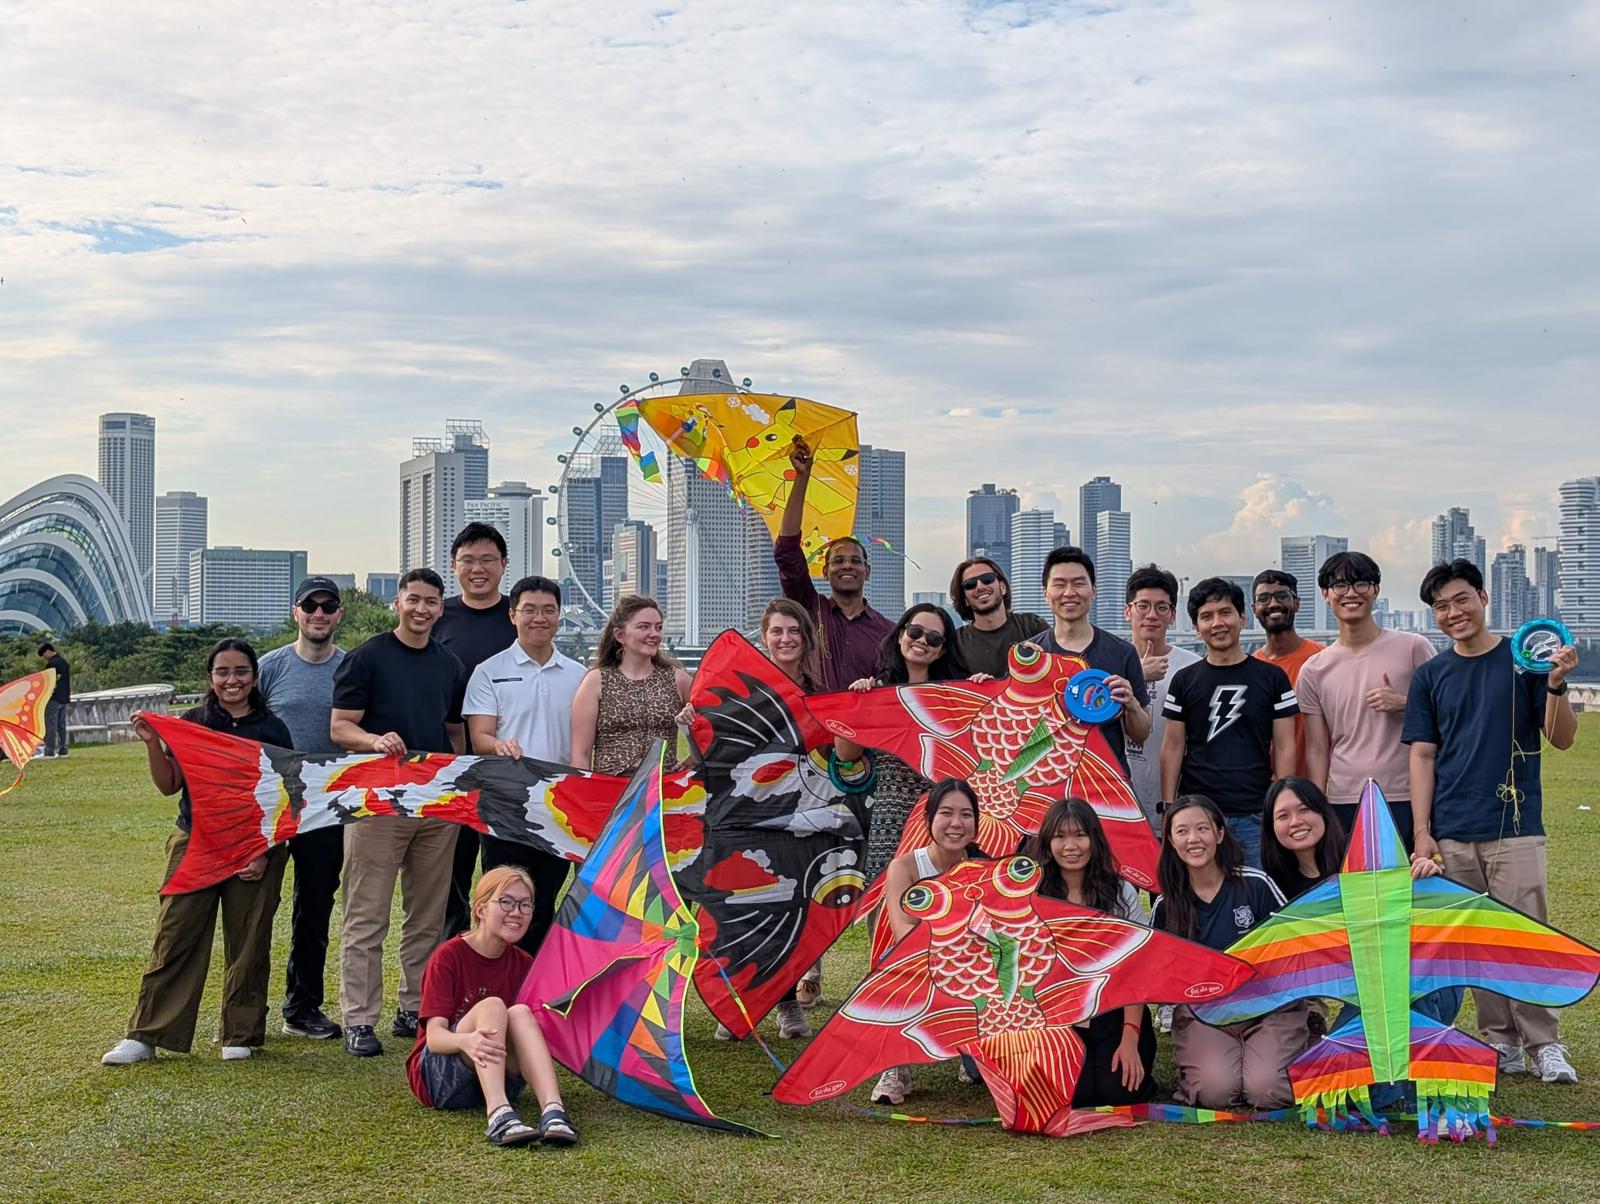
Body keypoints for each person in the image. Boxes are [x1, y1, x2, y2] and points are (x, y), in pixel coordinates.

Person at [1405, 558, 1583, 1084]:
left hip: (1516, 825)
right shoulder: (1432, 675)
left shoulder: (1524, 659)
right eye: (1441, 606)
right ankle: (1498, 1040)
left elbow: (1562, 737)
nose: (1453, 612)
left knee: (1526, 935)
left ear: (1483, 598)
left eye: (1462, 599)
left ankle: (1544, 1042)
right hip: (1454, 828)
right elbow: (1421, 756)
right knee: (1476, 940)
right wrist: (1422, 829)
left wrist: (1554, 685)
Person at [102, 639, 291, 1065]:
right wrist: (153, 742)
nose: (232, 680)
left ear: (254, 677)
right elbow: (170, 784)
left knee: (249, 937)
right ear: (210, 678)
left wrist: (262, 850)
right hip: (196, 840)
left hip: (253, 844)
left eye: (241, 671)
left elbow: (283, 796)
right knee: (176, 934)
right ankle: (148, 1033)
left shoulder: (272, 729)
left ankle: (239, 1032)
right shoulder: (193, 723)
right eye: (222, 672)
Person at [331, 567, 468, 1058]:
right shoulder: (367, 657)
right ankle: (359, 1018)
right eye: (413, 599)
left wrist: (458, 781)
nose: (422, 609)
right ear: (398, 603)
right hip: (377, 803)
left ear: (440, 608)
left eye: (431, 602)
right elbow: (340, 727)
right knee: (365, 916)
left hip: (434, 804)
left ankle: (415, 1007)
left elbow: (454, 733)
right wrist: (374, 741)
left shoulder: (449, 664)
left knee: (427, 916)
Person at [1258, 776, 1454, 1112]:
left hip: (1416, 984)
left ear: (1323, 811)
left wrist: (1425, 879)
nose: (1296, 822)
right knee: (1342, 1093)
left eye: (1304, 810)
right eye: (1283, 816)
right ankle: (1398, 1082)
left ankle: (1421, 1084)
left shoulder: (1367, 858)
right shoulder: (1273, 883)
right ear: (1271, 826)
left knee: (1402, 985)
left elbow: (1431, 922)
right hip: (1358, 992)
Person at [709, 597, 826, 1040]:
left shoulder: (819, 691)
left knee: (791, 911)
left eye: (794, 631)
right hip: (751, 812)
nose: (786, 639)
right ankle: (741, 1003)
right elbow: (719, 741)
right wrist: (690, 721)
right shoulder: (747, 691)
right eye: (777, 632)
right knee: (748, 907)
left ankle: (787, 1005)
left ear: (806, 638)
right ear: (764, 639)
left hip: (803, 812)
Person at [1151, 795, 1308, 1109]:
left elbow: (1295, 946)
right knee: (1215, 1092)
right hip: (1205, 1015)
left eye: (1202, 829)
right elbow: (1158, 976)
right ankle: (1225, 1058)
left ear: (1220, 834)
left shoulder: (1256, 885)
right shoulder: (1167, 905)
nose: (1193, 839)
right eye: (1182, 832)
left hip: (1268, 1008)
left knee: (1267, 1091)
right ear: (1170, 840)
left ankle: (1295, 1040)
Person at [407, 865, 577, 1147]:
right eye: (506, 902)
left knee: (520, 1013)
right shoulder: (448, 956)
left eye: (525, 905)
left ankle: (554, 1110)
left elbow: (530, 1036)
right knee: (493, 1006)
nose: (516, 912)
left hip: (503, 1077)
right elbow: (434, 1038)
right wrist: (467, 1041)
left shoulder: (523, 962)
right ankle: (498, 1114)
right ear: (481, 909)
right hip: (440, 1078)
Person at [463, 575, 584, 956]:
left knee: (543, 899)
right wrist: (498, 744)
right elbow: (479, 737)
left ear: (559, 616)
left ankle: (532, 994)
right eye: (529, 610)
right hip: (506, 805)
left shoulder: (579, 675)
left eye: (548, 610)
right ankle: (496, 983)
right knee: (503, 898)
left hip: (558, 807)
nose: (539, 618)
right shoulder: (489, 670)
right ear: (512, 615)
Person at [257, 575, 348, 1040]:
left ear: (339, 614)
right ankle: (245, 1010)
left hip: (327, 805)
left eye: (327, 606)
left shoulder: (352, 668)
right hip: (271, 803)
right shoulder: (269, 667)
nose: (318, 614)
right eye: (309, 606)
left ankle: (302, 1007)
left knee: (314, 907)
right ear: (295, 612)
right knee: (254, 905)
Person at [1297, 551, 1434, 848]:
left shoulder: (1413, 648)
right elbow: (1318, 750)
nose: (1351, 594)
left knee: (1411, 888)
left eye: (1361, 584)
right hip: (1344, 798)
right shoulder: (1314, 669)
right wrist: (1318, 807)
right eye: (1340, 586)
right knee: (1354, 890)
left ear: (1375, 590)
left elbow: (1445, 713)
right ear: (1325, 594)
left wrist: (1404, 703)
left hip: (1406, 794)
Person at [1028, 797, 1158, 1107]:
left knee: (1119, 1093)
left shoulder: (1121, 892)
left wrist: (1130, 1038)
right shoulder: (1032, 893)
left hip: (1113, 1011)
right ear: (1047, 842)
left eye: (1079, 835)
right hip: (1058, 1018)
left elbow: (1134, 969)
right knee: (1077, 1096)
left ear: (1094, 839)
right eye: (1060, 836)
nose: (1070, 845)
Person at [1160, 577, 1297, 868]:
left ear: (1242, 618)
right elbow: (1172, 746)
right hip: (1198, 812)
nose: (1217, 623)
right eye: (1206, 617)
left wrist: (1280, 803)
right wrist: (1170, 807)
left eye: (1225, 613)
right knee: (1199, 898)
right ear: (1197, 628)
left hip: (1255, 811)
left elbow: (1285, 745)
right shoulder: (1184, 680)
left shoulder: (1272, 678)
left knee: (1258, 896)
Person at [870, 778, 984, 1106]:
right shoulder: (904, 867)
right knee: (892, 961)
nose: (956, 823)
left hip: (972, 968)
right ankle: (895, 1066)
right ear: (929, 819)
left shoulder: (983, 866)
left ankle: (974, 1053)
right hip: (921, 960)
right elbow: (903, 928)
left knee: (979, 1077)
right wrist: (948, 951)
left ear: (975, 823)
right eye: (946, 813)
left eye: (966, 815)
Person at [838, 603, 972, 882]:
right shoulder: (878, 693)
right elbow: (846, 754)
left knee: (944, 902)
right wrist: (857, 707)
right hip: (891, 817)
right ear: (900, 635)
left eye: (933, 638)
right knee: (886, 905)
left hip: (943, 817)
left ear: (942, 650)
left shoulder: (956, 699)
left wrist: (980, 692)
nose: (922, 640)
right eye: (915, 631)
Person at [435, 522, 516, 941]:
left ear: (504, 564)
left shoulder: (518, 618)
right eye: (468, 560)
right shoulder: (437, 615)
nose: (478, 568)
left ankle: (503, 961)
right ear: (454, 566)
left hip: (510, 769)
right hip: (450, 768)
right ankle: (449, 962)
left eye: (488, 560)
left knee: (505, 876)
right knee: (449, 876)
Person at [773, 436, 893, 691]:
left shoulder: (888, 632)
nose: (847, 566)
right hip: (811, 727)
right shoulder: (809, 609)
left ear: (867, 571)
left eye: (855, 561)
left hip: (861, 728)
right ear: (826, 572)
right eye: (838, 560)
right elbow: (786, 551)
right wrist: (802, 477)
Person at [1023, 547, 1151, 780]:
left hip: (1108, 782)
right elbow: (1016, 730)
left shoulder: (1122, 652)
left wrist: (1131, 703)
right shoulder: (1029, 656)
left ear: (1094, 590)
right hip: (1047, 784)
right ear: (1045, 593)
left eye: (1079, 583)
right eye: (1059, 584)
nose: (1069, 593)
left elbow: (1141, 734)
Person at [570, 595, 691, 775]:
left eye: (658, 627)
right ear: (620, 635)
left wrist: (691, 761)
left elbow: (715, 728)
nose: (654, 634)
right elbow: (581, 752)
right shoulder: (596, 681)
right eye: (644, 627)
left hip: (664, 793)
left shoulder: (678, 679)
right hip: (611, 792)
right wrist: (583, 796)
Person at [1120, 564, 1200, 829]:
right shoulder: (1106, 662)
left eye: (1161, 607)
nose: (1151, 615)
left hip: (1176, 805)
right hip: (1117, 804)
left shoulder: (1193, 667)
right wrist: (1137, 674)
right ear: (1127, 611)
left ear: (1173, 614)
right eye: (1143, 606)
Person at [1250, 569, 1323, 777]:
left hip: (1319, 787)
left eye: (1282, 596)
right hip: (1263, 792)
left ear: (1297, 603)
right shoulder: (1250, 669)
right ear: (1254, 609)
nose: (1273, 604)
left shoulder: (1323, 660)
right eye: (1264, 598)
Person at [948, 556, 1046, 677]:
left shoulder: (1032, 626)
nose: (980, 586)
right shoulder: (956, 643)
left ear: (1003, 587)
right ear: (965, 600)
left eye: (987, 579)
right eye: (970, 584)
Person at [37, 641, 71, 759]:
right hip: (64, 698)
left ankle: (49, 751)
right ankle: (63, 750)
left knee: (51, 725)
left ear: (48, 651)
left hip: (53, 699)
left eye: (44, 655)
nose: (44, 658)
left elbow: (48, 683)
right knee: (62, 725)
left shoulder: (52, 665)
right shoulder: (64, 663)